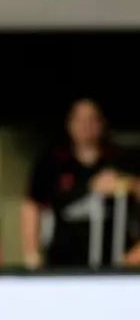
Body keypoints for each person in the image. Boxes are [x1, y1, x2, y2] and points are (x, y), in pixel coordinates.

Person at [22, 98, 140, 269]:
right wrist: (32, 253)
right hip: (64, 263)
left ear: (102, 123)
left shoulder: (121, 159)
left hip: (116, 263)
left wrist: (126, 183)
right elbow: (31, 205)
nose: (86, 125)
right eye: (80, 120)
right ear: (69, 124)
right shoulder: (52, 162)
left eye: (92, 119)